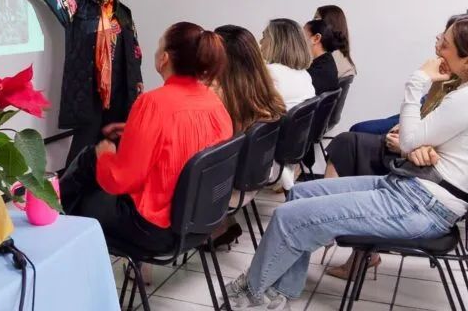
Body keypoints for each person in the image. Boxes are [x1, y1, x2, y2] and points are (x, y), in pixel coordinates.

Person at [225, 15, 468, 310]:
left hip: (421, 204)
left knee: (288, 218)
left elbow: (409, 140)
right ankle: (278, 292)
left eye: (447, 44)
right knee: (298, 194)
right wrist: (419, 142)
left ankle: (250, 292)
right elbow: (421, 139)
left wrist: (418, 84)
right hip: (417, 191)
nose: (439, 49)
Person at [59, 22, 233, 254]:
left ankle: (51, 218)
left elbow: (121, 180)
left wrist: (106, 157)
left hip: (154, 230)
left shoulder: (153, 103)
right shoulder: (214, 104)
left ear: (165, 58)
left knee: (88, 164)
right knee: (90, 165)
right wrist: (136, 130)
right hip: (201, 223)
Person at [9, 0, 143, 166]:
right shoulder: (78, 9)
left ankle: (109, 186)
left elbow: (135, 49)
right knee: (84, 144)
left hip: (119, 88)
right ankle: (72, 189)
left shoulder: (124, 13)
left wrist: (137, 80)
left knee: (117, 140)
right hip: (89, 89)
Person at [350, 4, 468, 135]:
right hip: (426, 114)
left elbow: (415, 139)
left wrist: (417, 80)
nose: (439, 37)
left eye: (447, 39)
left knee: (357, 134)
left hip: (428, 127)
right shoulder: (456, 70)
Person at [210, 25, 287, 247]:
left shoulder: (220, 96)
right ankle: (221, 225)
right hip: (254, 180)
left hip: (225, 188)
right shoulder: (266, 92)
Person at [260, 19, 315, 110]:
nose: (260, 42)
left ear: (276, 43)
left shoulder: (270, 72)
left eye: (264, 37)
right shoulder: (305, 74)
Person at [315, 5, 356, 79]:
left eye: (316, 19)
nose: (312, 22)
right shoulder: (339, 54)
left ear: (329, 24)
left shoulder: (327, 58)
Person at [303, 19, 340, 95]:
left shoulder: (317, 72)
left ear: (316, 38)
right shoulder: (326, 62)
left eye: (302, 35)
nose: (298, 40)